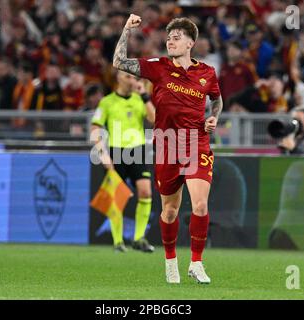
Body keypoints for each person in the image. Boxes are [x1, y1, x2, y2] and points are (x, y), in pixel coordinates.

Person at [113, 15, 223, 284]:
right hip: (168, 146)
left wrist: (214, 117)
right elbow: (118, 62)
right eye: (169, 37)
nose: (170, 41)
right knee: (170, 212)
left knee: (199, 205)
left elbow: (217, 100)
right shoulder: (158, 66)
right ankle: (171, 261)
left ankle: (196, 262)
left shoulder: (207, 72)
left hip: (197, 142)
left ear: (190, 43)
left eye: (176, 38)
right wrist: (126, 29)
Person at [91, 70, 156, 253]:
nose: (132, 80)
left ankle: (139, 238)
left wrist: (144, 95)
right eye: (128, 76)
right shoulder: (107, 102)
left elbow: (154, 119)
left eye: (134, 77)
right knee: (116, 199)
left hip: (138, 150)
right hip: (116, 152)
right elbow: (95, 128)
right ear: (119, 78)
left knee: (145, 192)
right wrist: (103, 155)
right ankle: (118, 242)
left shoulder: (139, 100)